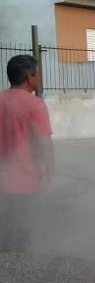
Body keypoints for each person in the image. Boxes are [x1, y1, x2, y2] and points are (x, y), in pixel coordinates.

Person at [0, 54, 54, 252]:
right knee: (23, 235)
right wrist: (49, 171)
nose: (39, 77)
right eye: (37, 73)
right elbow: (44, 143)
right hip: (25, 181)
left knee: (4, 230)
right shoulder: (35, 105)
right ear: (29, 78)